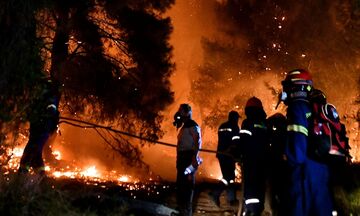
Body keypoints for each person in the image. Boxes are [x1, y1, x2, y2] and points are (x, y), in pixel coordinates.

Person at [279, 69, 333, 216]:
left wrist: (285, 157)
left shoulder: (297, 108)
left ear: (294, 87)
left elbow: (298, 154)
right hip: (320, 171)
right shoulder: (314, 108)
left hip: (304, 174)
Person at [19, 78, 60, 175]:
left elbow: (52, 110)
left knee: (30, 152)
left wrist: (41, 115)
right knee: (36, 154)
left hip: (43, 130)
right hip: (37, 130)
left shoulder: (50, 98)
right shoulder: (39, 98)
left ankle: (22, 175)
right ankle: (40, 177)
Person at [237, 97, 268, 216]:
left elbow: (243, 140)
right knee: (260, 184)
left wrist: (238, 153)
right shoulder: (264, 123)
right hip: (263, 159)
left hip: (250, 158)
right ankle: (257, 210)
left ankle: (249, 210)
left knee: (250, 185)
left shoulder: (247, 122)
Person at [174, 104, 202, 216]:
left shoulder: (193, 125)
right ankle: (181, 209)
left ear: (187, 112)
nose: (179, 113)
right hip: (181, 158)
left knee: (188, 184)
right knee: (181, 184)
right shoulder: (184, 127)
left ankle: (187, 211)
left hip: (189, 158)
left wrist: (195, 157)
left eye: (181, 111)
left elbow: (197, 141)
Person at [208, 110, 240, 207]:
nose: (238, 120)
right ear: (234, 118)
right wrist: (238, 156)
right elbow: (235, 143)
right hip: (229, 155)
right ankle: (216, 193)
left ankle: (231, 199)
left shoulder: (222, 126)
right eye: (237, 118)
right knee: (228, 177)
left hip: (221, 154)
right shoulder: (234, 126)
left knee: (229, 177)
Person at [266, 113, 287, 215]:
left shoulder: (272, 129)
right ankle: (278, 208)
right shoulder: (285, 128)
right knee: (280, 187)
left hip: (274, 161)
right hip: (281, 162)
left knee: (273, 187)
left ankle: (274, 209)